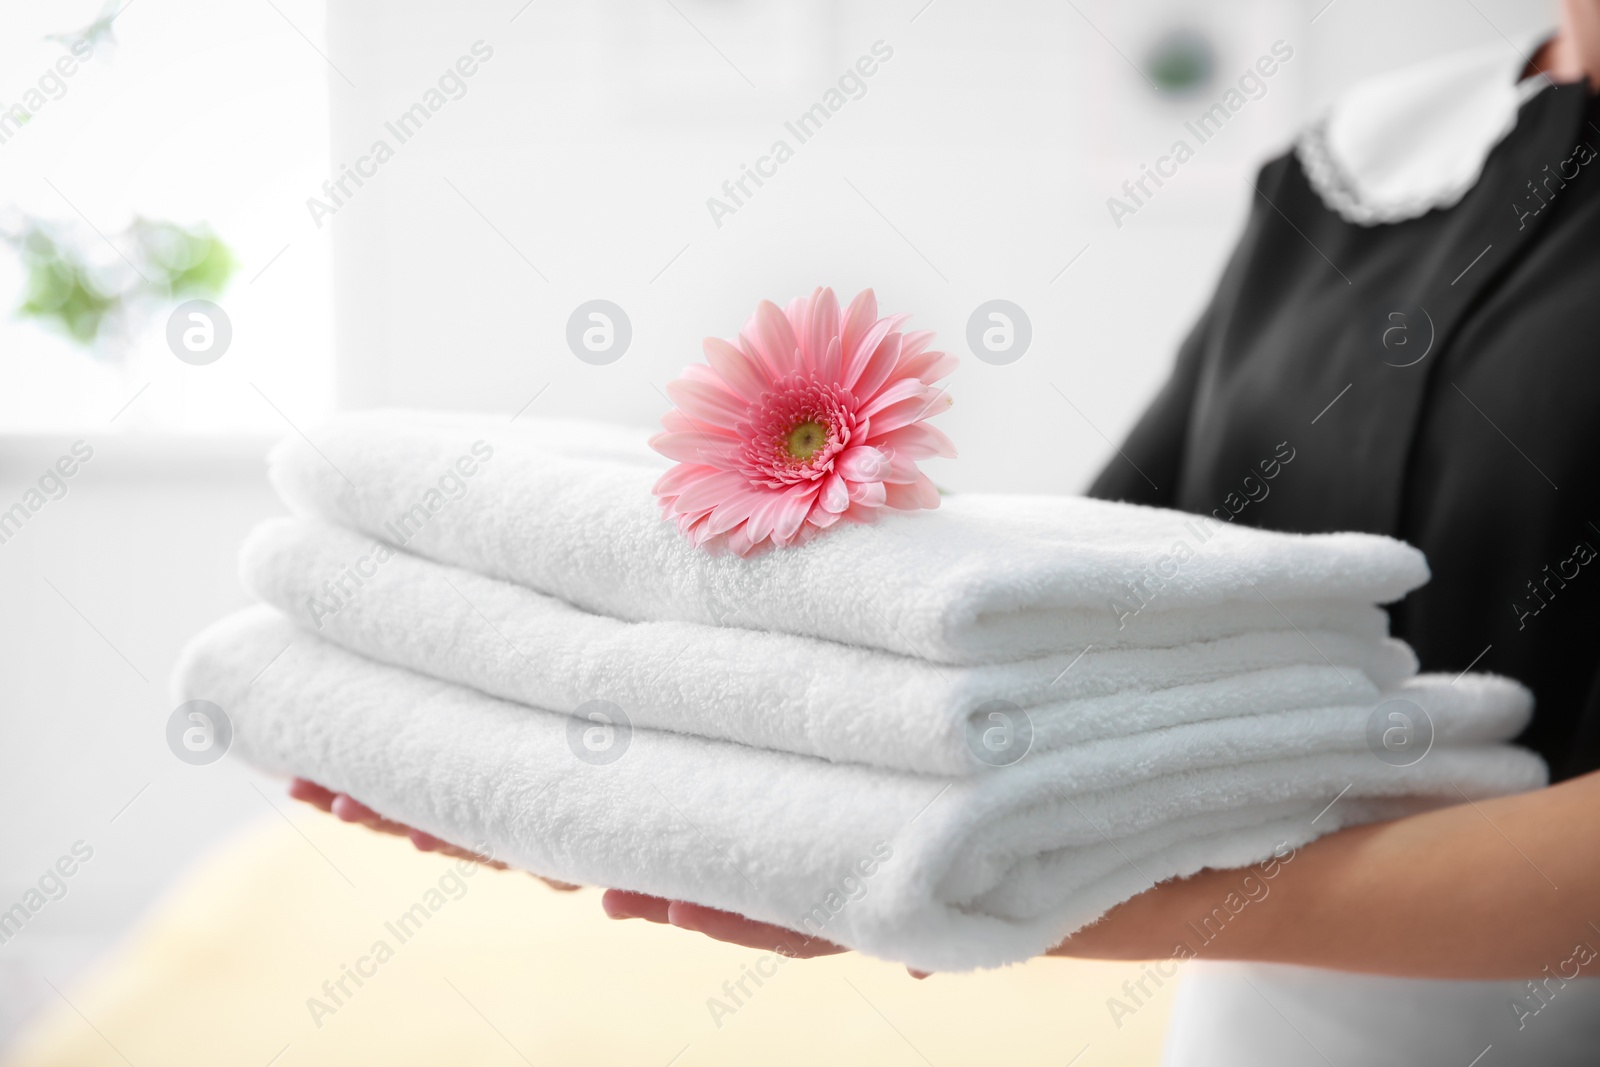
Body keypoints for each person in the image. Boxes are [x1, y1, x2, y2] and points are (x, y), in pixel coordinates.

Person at [295, 4, 1600, 1062]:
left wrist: (1000, 885)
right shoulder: (1365, 170)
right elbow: (1141, 576)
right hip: (1253, 1026)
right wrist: (829, 624)